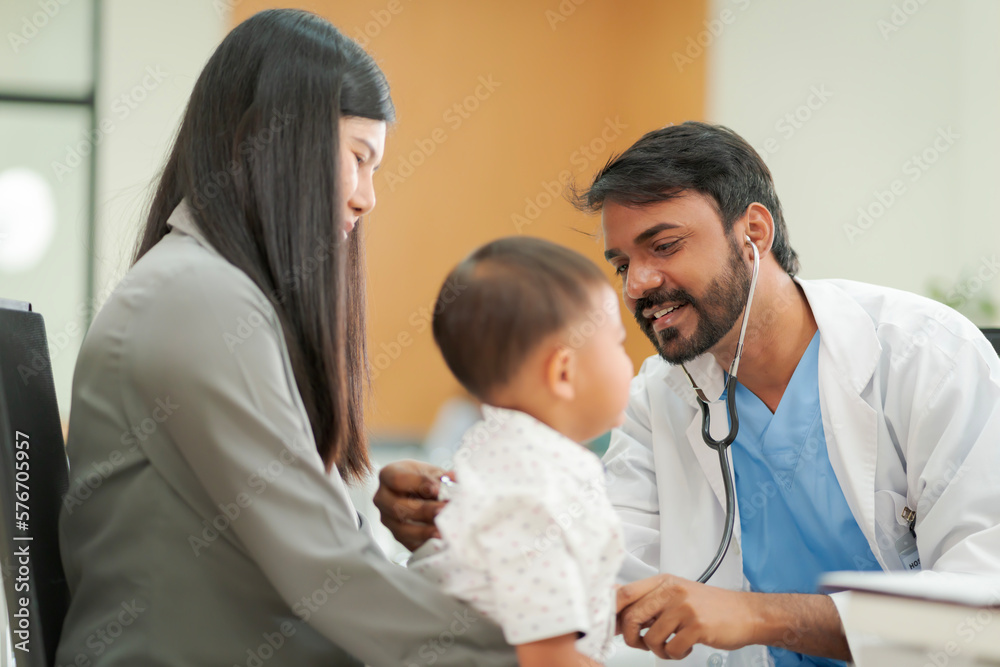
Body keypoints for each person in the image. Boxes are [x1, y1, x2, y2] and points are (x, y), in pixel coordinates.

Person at [375, 122, 1000, 666]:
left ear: (753, 232)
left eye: (664, 246)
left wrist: (758, 617)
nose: (638, 285)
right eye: (623, 264)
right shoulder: (659, 397)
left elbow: (984, 609)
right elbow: (597, 573)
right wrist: (466, 525)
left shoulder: (926, 356)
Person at [56, 10, 516, 666]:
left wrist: (432, 536)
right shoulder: (200, 299)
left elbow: (330, 561)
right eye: (358, 158)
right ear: (268, 141)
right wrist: (538, 640)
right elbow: (332, 573)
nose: (367, 198)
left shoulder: (212, 290)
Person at [407, 237, 634, 666]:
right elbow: (547, 658)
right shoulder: (534, 491)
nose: (629, 363)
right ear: (563, 371)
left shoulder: (500, 456)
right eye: (619, 343)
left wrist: (601, 605)